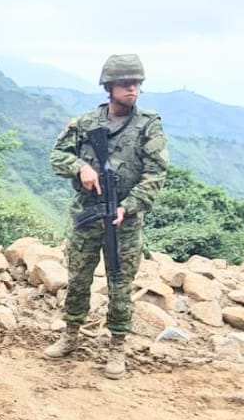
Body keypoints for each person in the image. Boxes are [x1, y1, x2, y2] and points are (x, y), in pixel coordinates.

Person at [45, 54, 169, 379]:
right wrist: (81, 167)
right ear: (109, 86)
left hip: (124, 222)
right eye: (126, 83)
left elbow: (156, 175)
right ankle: (70, 334)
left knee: (120, 283)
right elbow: (57, 155)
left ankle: (117, 346)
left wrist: (127, 206)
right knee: (79, 279)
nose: (133, 89)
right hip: (87, 215)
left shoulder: (148, 126)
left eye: (137, 83)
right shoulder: (86, 123)